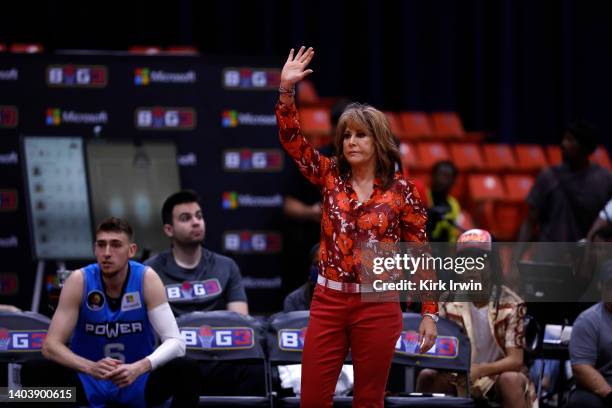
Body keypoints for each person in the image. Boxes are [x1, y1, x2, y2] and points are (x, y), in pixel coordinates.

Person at [276, 45, 438, 407]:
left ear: (378, 141)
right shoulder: (330, 174)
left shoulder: (403, 192)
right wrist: (286, 91)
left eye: (360, 135)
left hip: (378, 303)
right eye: (346, 135)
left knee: (369, 400)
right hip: (329, 300)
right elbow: (292, 142)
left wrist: (429, 313)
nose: (351, 142)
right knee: (313, 399)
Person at [29, 217, 199, 407]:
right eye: (101, 245)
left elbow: (177, 343)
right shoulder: (79, 280)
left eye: (116, 245)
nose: (107, 253)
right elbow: (50, 346)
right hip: (88, 382)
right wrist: (90, 367)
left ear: (131, 250)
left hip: (137, 382)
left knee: (187, 368)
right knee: (33, 373)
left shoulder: (146, 278)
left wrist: (139, 367)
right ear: (95, 249)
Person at [416, 229, 536, 407]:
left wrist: (480, 370)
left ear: (492, 266)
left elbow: (516, 360)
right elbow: (436, 351)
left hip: (497, 375)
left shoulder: (512, 303)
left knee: (510, 379)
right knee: (427, 375)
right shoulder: (446, 301)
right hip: (457, 374)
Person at [281, 99, 350, 295]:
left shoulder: (373, 166)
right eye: (346, 130)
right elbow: (288, 205)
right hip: (314, 245)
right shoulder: (315, 160)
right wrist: (313, 212)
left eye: (360, 132)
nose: (352, 139)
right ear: (333, 128)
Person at [144, 190, 248, 316]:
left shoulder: (227, 266)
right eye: (185, 218)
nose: (196, 222)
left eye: (199, 216)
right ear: (169, 230)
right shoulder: (151, 271)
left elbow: (241, 325)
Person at [519, 121, 612, 243]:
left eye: (570, 140)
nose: (563, 144)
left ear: (585, 147)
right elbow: (530, 221)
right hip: (549, 256)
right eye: (564, 138)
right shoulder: (548, 176)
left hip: (586, 257)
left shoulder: (605, 179)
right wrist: (515, 260)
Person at [568, 260, 612, 408]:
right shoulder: (588, 320)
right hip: (602, 386)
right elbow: (581, 368)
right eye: (610, 286)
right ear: (601, 286)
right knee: (583, 402)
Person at [426, 160, 461, 243]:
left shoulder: (454, 204)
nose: (442, 180)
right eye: (440, 175)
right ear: (433, 176)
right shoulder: (422, 196)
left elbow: (452, 236)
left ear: (453, 181)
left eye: (447, 176)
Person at [283, 243, 319, 312]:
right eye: (317, 264)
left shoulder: (344, 300)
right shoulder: (293, 300)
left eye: (326, 265)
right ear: (310, 267)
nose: (322, 269)